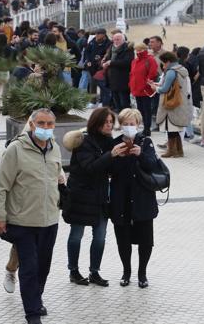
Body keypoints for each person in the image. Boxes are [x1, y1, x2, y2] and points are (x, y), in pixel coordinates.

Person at [0, 108, 63, 324]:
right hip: (23, 221)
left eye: (50, 124)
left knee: (43, 266)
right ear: (31, 124)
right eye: (41, 123)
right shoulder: (16, 150)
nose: (46, 128)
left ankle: (36, 299)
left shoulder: (55, 148)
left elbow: (56, 180)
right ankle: (32, 312)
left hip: (49, 220)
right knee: (29, 268)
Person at [62, 108, 123, 287]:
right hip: (81, 195)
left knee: (100, 237)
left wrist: (120, 157)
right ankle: (73, 270)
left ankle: (94, 271)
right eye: (106, 122)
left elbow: (110, 170)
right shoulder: (83, 141)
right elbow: (90, 167)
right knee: (76, 235)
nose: (109, 125)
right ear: (96, 123)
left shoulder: (110, 141)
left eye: (111, 122)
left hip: (101, 196)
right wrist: (110, 155)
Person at [110, 108, 159, 288]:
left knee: (146, 239)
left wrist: (141, 155)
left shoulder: (146, 142)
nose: (129, 127)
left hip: (142, 197)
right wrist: (114, 155)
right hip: (121, 199)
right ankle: (126, 272)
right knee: (123, 238)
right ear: (120, 125)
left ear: (138, 125)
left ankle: (142, 273)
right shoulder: (115, 143)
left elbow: (153, 165)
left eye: (132, 124)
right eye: (125, 124)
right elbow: (108, 170)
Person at [149, 52, 191, 158]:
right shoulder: (181, 70)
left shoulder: (171, 72)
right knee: (175, 129)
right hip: (179, 103)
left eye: (163, 63)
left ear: (167, 61)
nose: (163, 65)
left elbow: (164, 89)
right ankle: (179, 151)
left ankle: (171, 151)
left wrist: (155, 88)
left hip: (171, 103)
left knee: (171, 129)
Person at [129, 43, 159, 137]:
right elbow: (132, 74)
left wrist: (147, 83)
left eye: (140, 49)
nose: (138, 52)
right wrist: (131, 85)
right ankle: (143, 127)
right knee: (140, 110)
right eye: (136, 50)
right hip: (136, 88)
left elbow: (153, 73)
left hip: (145, 89)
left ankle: (147, 129)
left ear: (144, 49)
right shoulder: (134, 61)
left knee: (147, 110)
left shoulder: (150, 59)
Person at [104, 33, 133, 113]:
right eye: (114, 39)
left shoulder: (128, 49)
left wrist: (111, 63)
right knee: (116, 102)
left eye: (118, 39)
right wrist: (104, 62)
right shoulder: (111, 47)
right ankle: (119, 117)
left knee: (124, 102)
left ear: (123, 40)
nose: (116, 41)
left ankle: (127, 117)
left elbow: (127, 62)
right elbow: (107, 58)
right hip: (112, 79)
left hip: (123, 79)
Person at [82, 29, 111, 107]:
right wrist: (88, 60)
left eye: (98, 34)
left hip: (101, 67)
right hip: (91, 66)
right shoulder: (92, 41)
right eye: (96, 34)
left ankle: (102, 101)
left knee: (102, 85)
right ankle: (92, 101)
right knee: (92, 83)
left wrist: (102, 60)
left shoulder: (108, 43)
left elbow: (108, 54)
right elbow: (86, 51)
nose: (96, 35)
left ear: (103, 34)